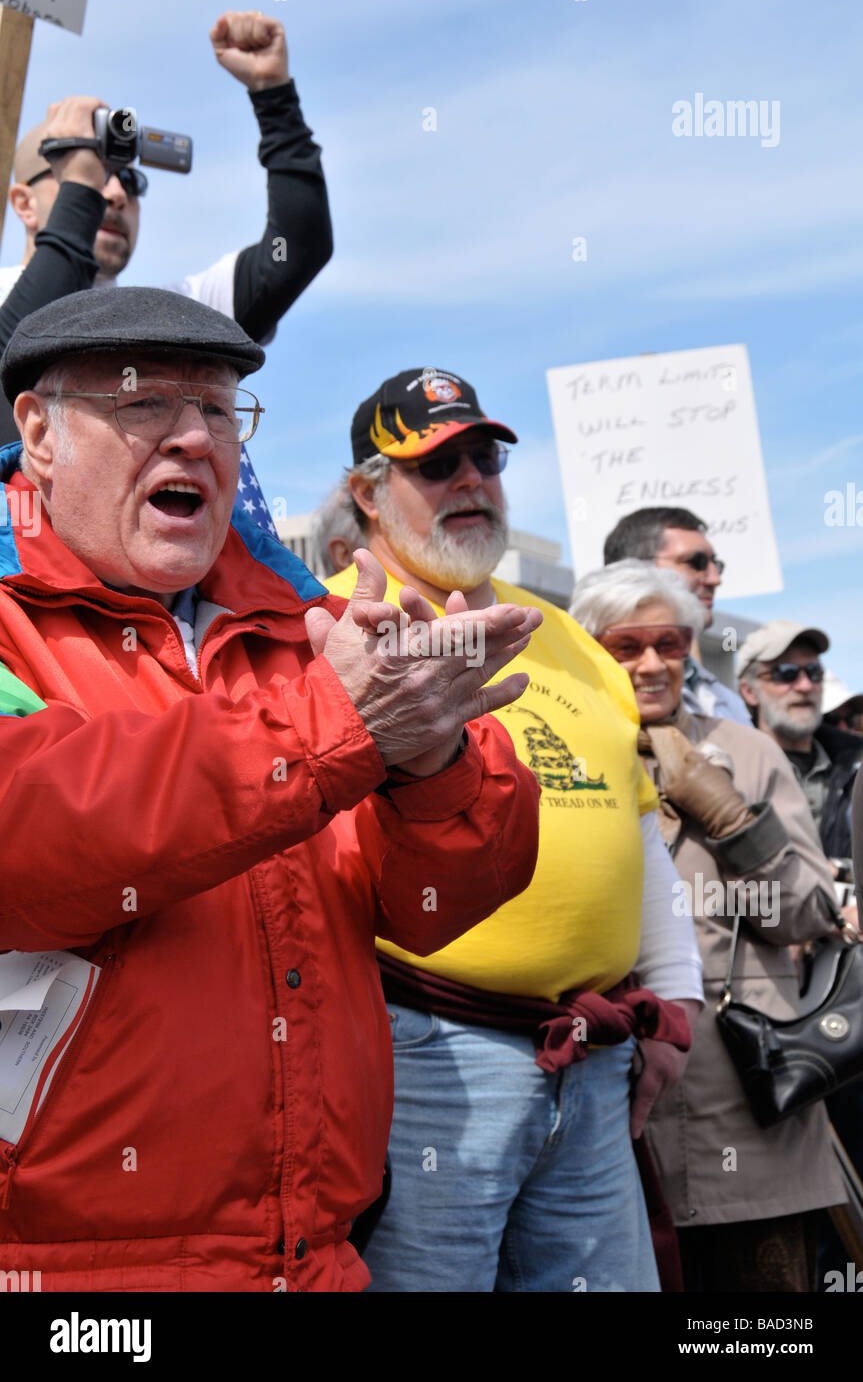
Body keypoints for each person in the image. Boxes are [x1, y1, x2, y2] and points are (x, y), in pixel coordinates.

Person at [0, 292, 543, 1293]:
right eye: (145, 404)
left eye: (218, 411)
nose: (194, 439)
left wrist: (430, 764)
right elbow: (29, 838)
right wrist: (333, 733)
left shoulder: (312, 630)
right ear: (38, 432)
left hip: (313, 1257)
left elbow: (438, 907)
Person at [325, 366, 704, 1293]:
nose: (469, 480)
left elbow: (635, 829)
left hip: (592, 1057)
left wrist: (677, 1001)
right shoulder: (325, 620)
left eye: (483, 456)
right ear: (368, 494)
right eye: (435, 462)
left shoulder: (571, 635)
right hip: (421, 1055)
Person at [570, 560, 846, 1293]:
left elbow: (811, 914)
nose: (652, 663)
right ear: (588, 647)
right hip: (606, 1106)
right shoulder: (558, 753)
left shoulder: (745, 749)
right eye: (626, 646)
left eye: (670, 642)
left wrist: (730, 820)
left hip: (745, 1113)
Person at [0, 10, 332, 448]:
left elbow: (296, 251)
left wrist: (274, 97)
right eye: (94, 173)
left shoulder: (171, 314)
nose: (115, 193)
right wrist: (81, 190)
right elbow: (16, 356)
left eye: (131, 179)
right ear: (24, 204)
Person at [604, 505, 751, 726]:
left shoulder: (729, 702)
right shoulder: (584, 697)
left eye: (716, 565)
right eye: (697, 563)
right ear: (634, 569)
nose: (714, 579)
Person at [737, 620, 863, 863]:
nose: (805, 685)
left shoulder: (854, 765)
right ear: (749, 692)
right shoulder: (728, 770)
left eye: (814, 673)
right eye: (786, 674)